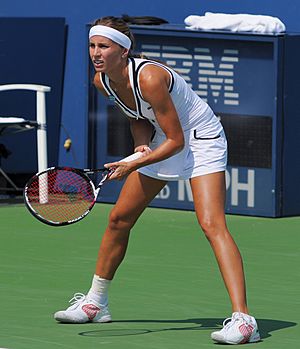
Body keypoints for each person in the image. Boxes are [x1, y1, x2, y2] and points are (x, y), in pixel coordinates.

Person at [54, 16, 260, 345]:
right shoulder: (102, 81)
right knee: (119, 219)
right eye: (92, 46)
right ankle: (96, 303)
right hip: (164, 138)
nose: (96, 53)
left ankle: (245, 321)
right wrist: (140, 147)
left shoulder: (149, 77)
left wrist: (133, 165)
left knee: (211, 224)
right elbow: (135, 115)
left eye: (104, 46)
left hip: (201, 141)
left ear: (124, 51)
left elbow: (178, 141)